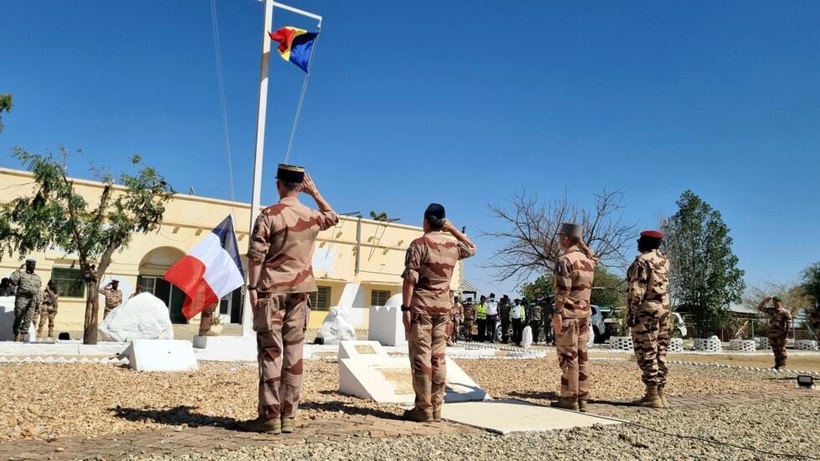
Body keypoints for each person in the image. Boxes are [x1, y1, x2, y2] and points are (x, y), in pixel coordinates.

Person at [243, 164, 338, 434]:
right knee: (294, 355)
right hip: (300, 293)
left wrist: (252, 288)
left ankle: (270, 417)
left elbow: (256, 256)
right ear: (301, 186)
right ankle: (289, 417)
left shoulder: (269, 215)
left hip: (271, 291)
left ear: (278, 184)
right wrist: (315, 193)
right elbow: (333, 216)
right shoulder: (311, 216)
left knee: (271, 353)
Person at [401, 203, 476, 422]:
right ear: (442, 223)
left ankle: (423, 409)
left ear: (425, 221)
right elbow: (472, 248)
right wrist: (452, 229)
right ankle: (437, 407)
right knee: (439, 358)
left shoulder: (419, 245)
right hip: (443, 309)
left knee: (421, 357)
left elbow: (410, 279)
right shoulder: (453, 246)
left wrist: (406, 308)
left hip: (421, 308)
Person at [552, 223, 597, 412]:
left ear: (565, 238)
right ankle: (582, 397)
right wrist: (582, 243)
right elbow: (594, 257)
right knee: (582, 356)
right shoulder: (588, 262)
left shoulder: (564, 260)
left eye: (560, 236)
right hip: (584, 316)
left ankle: (570, 398)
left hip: (569, 315)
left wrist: (557, 313)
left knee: (569, 356)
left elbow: (563, 290)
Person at [626, 230, 671, 409]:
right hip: (664, 308)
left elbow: (637, 290)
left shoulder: (642, 261)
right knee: (660, 351)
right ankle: (660, 393)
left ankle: (652, 394)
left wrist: (631, 313)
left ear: (645, 242)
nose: (638, 242)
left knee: (646, 350)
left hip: (647, 309)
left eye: (640, 240)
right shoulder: (665, 260)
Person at [757, 296, 792, 371]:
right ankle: (777, 365)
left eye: (776, 302)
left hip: (780, 334)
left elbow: (788, 323)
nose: (775, 303)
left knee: (781, 350)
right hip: (771, 334)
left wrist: (786, 333)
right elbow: (759, 308)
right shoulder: (771, 310)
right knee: (775, 350)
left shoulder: (785, 312)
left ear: (780, 302)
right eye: (774, 302)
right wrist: (765, 301)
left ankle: (782, 364)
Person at [10, 259, 42, 342]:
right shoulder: (21, 274)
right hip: (22, 298)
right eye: (32, 265)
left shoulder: (37, 277)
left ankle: (23, 336)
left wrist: (38, 303)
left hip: (32, 299)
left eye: (34, 265)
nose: (33, 266)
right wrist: (19, 269)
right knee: (19, 315)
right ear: (27, 265)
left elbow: (38, 290)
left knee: (28, 318)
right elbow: (13, 279)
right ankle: (16, 332)